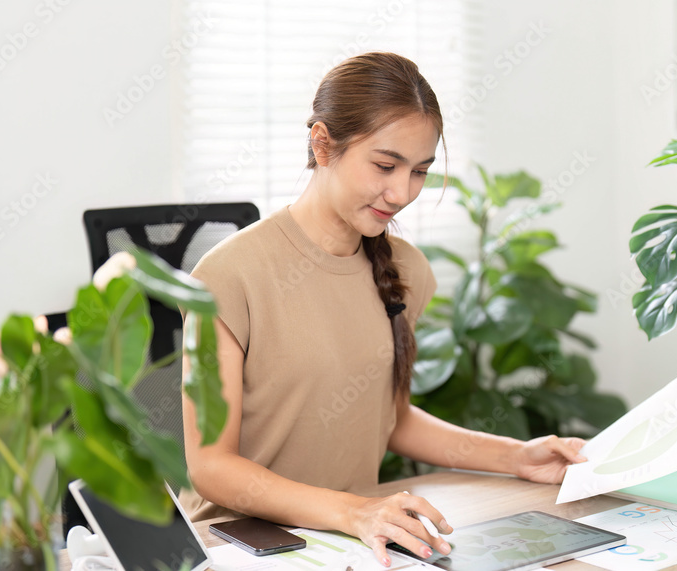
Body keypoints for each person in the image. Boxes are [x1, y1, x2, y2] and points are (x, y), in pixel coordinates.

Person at [180, 51, 588, 566]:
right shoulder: (228, 275)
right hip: (243, 547)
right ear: (322, 144)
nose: (401, 193)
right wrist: (354, 511)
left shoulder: (407, 270)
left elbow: (389, 419)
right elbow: (212, 467)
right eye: (385, 166)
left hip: (352, 544)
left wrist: (518, 456)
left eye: (419, 171)